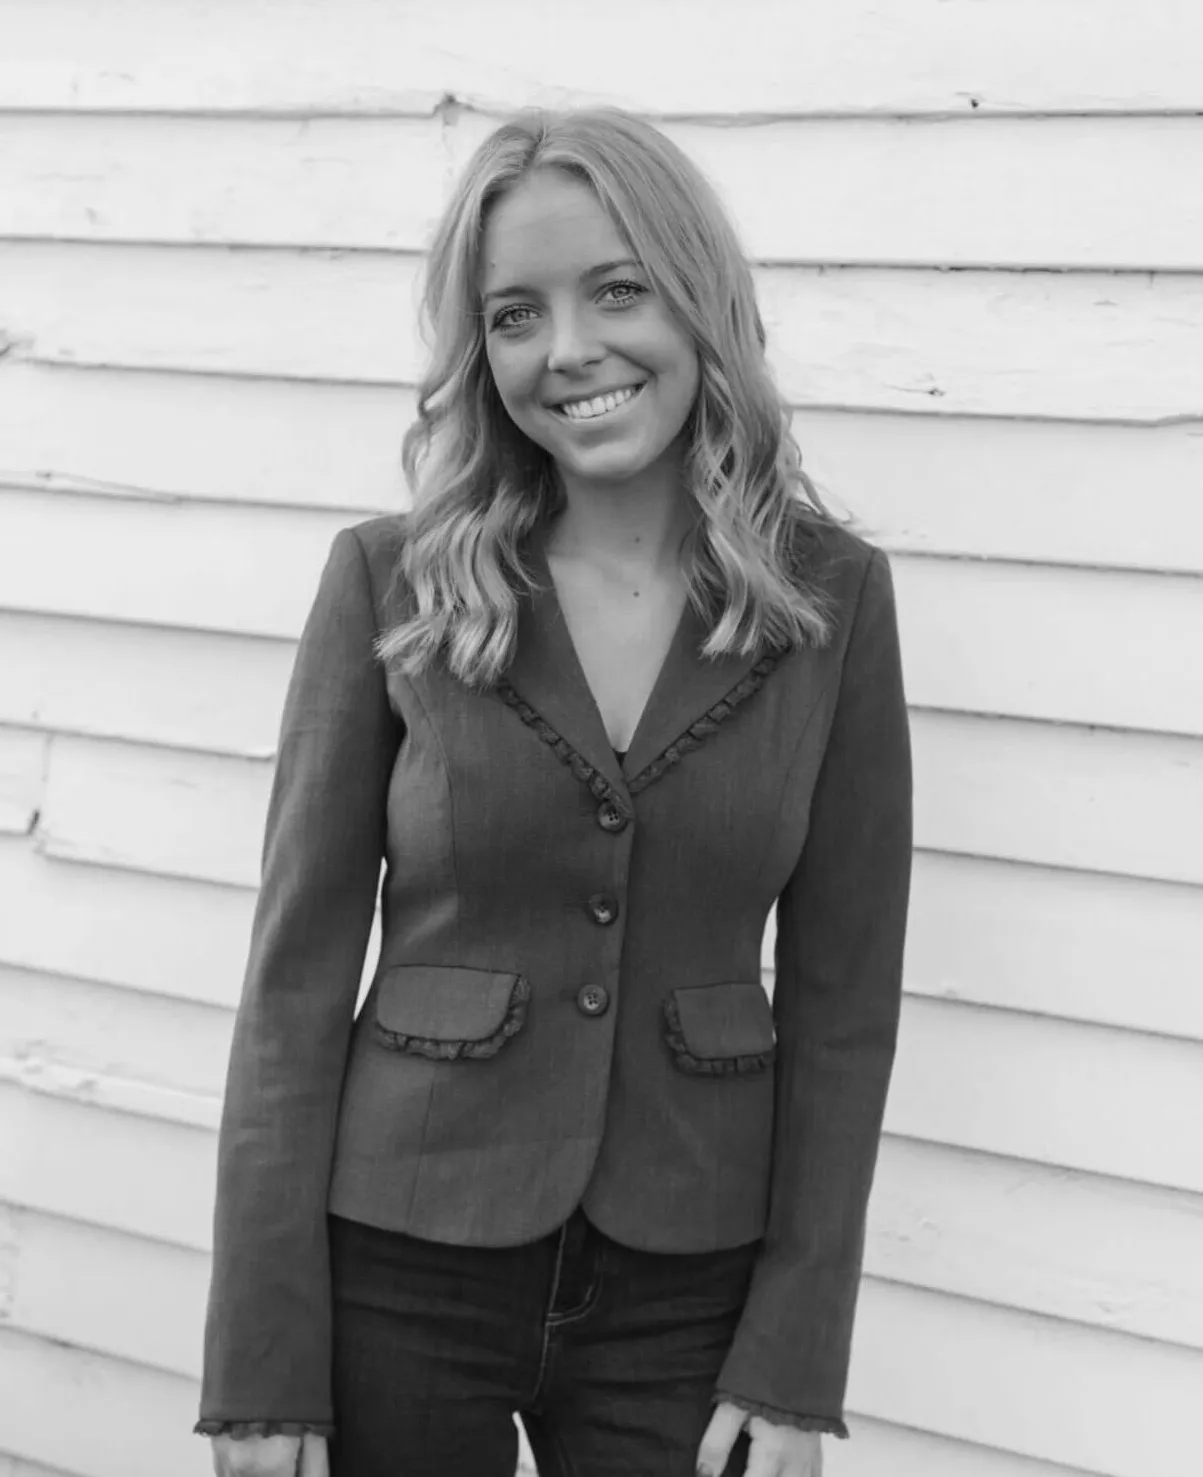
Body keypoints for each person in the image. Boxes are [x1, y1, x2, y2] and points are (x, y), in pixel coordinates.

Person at [195, 106, 912, 1477]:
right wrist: (262, 1371)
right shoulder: (393, 585)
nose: (567, 348)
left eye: (618, 290)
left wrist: (796, 1360)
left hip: (692, 1282)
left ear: (700, 301)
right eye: (514, 315)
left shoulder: (831, 601)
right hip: (402, 1256)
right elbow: (290, 992)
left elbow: (845, 1005)